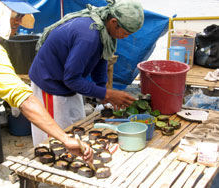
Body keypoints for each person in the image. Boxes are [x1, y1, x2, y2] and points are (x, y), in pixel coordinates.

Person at [0, 0, 93, 187]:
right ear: (0, 11)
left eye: (21, 15)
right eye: (15, 15)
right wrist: (65, 139)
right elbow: (24, 100)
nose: (19, 21)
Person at [29, 0, 144, 146]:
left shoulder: (103, 30)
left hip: (68, 80)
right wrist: (106, 94)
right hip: (49, 82)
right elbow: (71, 79)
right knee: (53, 138)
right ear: (114, 22)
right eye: (126, 32)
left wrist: (102, 89)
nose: (125, 37)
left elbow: (101, 59)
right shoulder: (89, 36)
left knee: (76, 125)